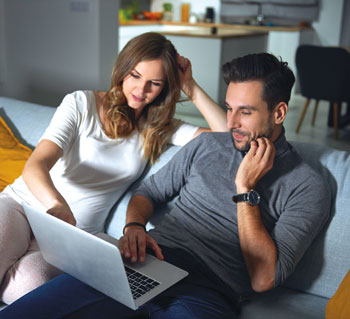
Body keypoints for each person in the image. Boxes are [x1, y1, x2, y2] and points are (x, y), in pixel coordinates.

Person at [0, 53, 331, 319]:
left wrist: (246, 190)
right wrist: (133, 226)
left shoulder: (308, 185)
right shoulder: (208, 147)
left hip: (211, 289)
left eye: (245, 112)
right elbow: (149, 192)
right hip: (144, 262)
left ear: (279, 112)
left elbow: (262, 279)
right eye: (229, 109)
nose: (231, 124)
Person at [0, 32, 227, 305]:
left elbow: (224, 138)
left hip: (75, 238)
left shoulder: (159, 129)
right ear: (122, 70)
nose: (141, 90)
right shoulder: (81, 103)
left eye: (154, 83)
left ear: (166, 87)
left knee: (32, 287)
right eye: (134, 75)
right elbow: (36, 165)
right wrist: (57, 205)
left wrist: (189, 86)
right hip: (23, 208)